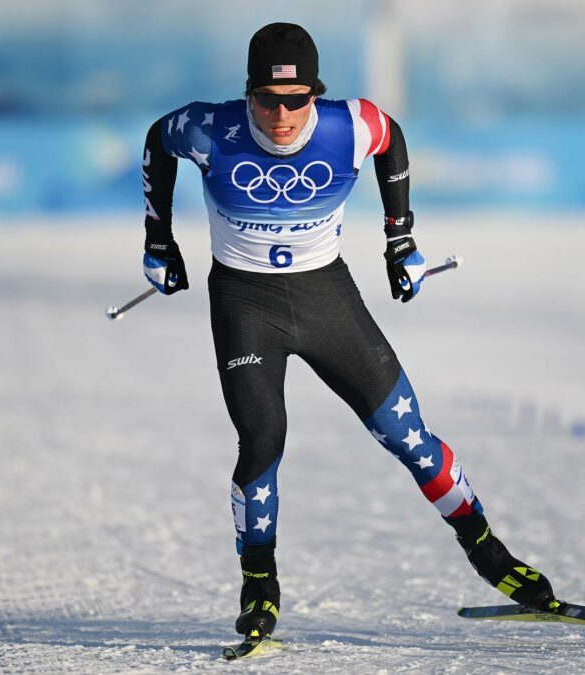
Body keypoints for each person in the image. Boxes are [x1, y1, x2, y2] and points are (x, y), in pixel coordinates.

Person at [139, 22, 560, 641]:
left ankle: (487, 551)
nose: (282, 115)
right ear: (248, 93)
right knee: (262, 439)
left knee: (408, 436)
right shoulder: (207, 128)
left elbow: (391, 136)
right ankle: (260, 583)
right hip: (244, 302)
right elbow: (156, 142)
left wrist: (401, 240)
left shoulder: (350, 124)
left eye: (297, 99)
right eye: (267, 99)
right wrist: (158, 239)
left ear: (316, 94)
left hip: (325, 296)